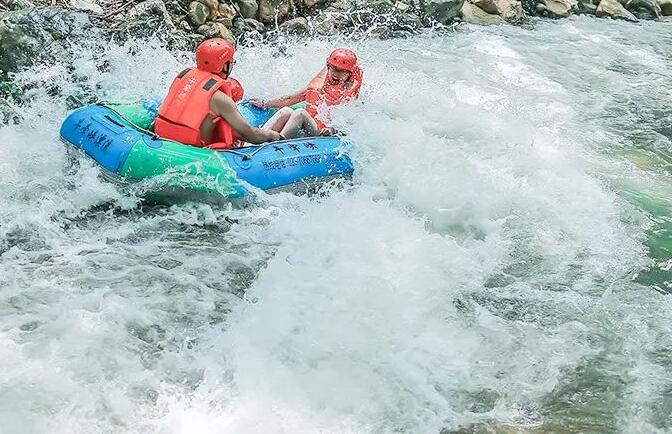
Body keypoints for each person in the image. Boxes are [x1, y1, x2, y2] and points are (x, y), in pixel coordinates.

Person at [155, 38, 284, 150]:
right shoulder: (220, 99)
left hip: (162, 135)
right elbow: (252, 136)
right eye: (230, 62)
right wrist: (274, 136)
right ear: (223, 65)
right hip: (192, 148)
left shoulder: (183, 76)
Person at [250, 48, 362, 139]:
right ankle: (254, 139)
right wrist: (264, 103)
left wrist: (332, 129)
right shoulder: (319, 85)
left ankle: (275, 144)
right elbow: (288, 99)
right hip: (308, 127)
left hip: (322, 134)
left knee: (300, 113)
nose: (335, 74)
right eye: (332, 69)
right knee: (286, 110)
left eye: (340, 71)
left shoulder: (350, 95)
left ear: (349, 73)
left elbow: (349, 123)